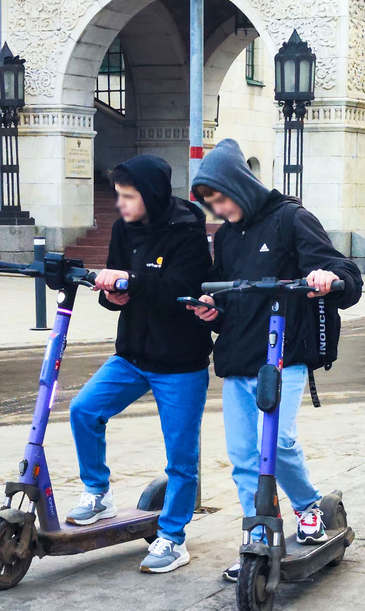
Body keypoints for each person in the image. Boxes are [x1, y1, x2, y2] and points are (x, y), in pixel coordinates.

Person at [188, 139, 362, 582]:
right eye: (210, 204)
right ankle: (258, 536)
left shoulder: (292, 219)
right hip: (237, 360)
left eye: (220, 199)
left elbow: (347, 276)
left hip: (285, 356)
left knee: (277, 444)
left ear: (239, 186)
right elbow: (230, 297)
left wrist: (328, 279)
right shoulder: (226, 236)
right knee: (244, 457)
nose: (218, 210)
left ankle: (308, 507)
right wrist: (213, 308)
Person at [65, 155, 213, 575]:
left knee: (181, 458)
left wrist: (135, 283)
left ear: (150, 194)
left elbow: (184, 291)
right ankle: (99, 493)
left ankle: (173, 538)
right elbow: (113, 285)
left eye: (128, 196)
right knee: (84, 410)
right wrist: (112, 295)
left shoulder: (187, 230)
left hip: (180, 362)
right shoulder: (122, 230)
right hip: (131, 354)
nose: (121, 205)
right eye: (118, 195)